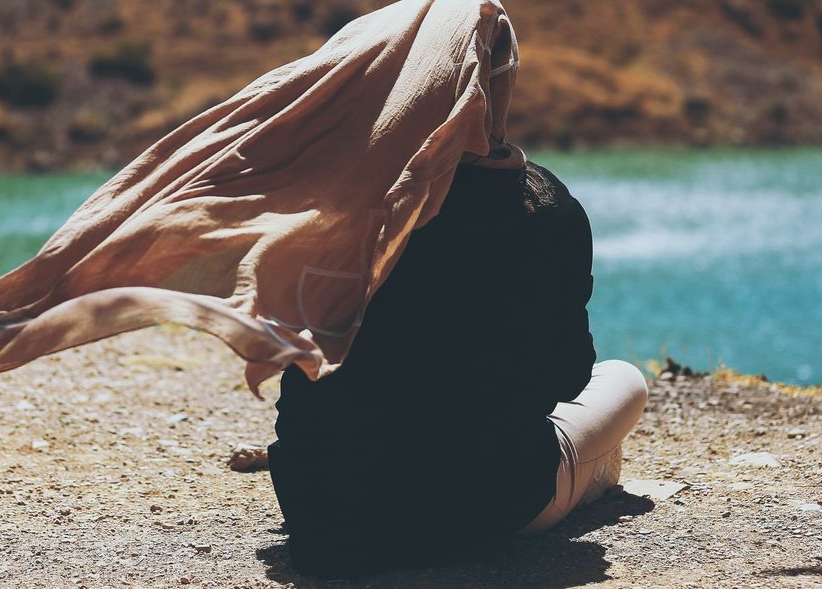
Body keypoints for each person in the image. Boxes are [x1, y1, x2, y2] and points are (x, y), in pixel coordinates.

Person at [267, 159, 649, 576]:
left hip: (325, 511)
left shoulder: (327, 197)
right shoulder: (538, 202)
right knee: (625, 380)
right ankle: (587, 477)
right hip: (487, 502)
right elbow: (569, 376)